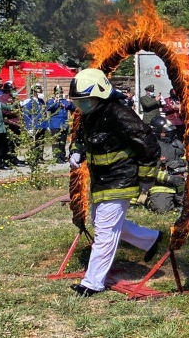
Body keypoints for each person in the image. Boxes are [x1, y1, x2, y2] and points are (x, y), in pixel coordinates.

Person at [67, 68, 164, 297]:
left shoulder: (119, 114)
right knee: (106, 224)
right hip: (101, 181)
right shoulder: (91, 115)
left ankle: (92, 283)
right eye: (78, 101)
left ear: (100, 94)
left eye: (85, 100)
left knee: (105, 231)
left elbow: (147, 143)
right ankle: (151, 239)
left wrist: (147, 178)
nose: (81, 106)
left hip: (120, 179)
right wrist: (77, 151)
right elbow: (81, 138)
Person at [146, 116, 187, 213]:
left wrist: (181, 162)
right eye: (165, 133)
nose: (168, 135)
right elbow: (149, 171)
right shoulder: (151, 147)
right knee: (162, 209)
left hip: (180, 184)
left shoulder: (177, 144)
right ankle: (147, 200)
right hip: (159, 185)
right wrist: (168, 178)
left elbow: (188, 160)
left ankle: (178, 200)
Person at [0, 82, 24, 166]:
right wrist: (15, 111)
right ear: (8, 90)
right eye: (13, 90)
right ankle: (8, 160)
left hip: (16, 124)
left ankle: (14, 158)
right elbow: (4, 111)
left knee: (16, 143)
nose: (15, 91)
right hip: (9, 123)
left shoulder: (14, 98)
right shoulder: (3, 98)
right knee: (9, 143)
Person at [45, 85, 74, 163]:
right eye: (58, 92)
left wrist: (69, 101)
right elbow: (49, 108)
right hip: (55, 124)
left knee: (63, 141)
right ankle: (57, 157)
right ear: (54, 93)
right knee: (56, 142)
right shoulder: (51, 100)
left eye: (60, 92)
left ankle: (62, 155)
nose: (59, 94)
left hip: (64, 124)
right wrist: (57, 101)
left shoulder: (64, 100)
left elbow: (71, 108)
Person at [21, 84, 49, 165]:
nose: (40, 92)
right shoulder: (29, 102)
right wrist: (29, 127)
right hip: (34, 125)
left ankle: (40, 157)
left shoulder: (41, 101)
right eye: (38, 91)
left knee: (41, 142)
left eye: (40, 90)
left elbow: (44, 114)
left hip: (42, 125)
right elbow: (26, 115)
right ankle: (33, 158)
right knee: (34, 143)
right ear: (33, 92)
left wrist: (46, 125)